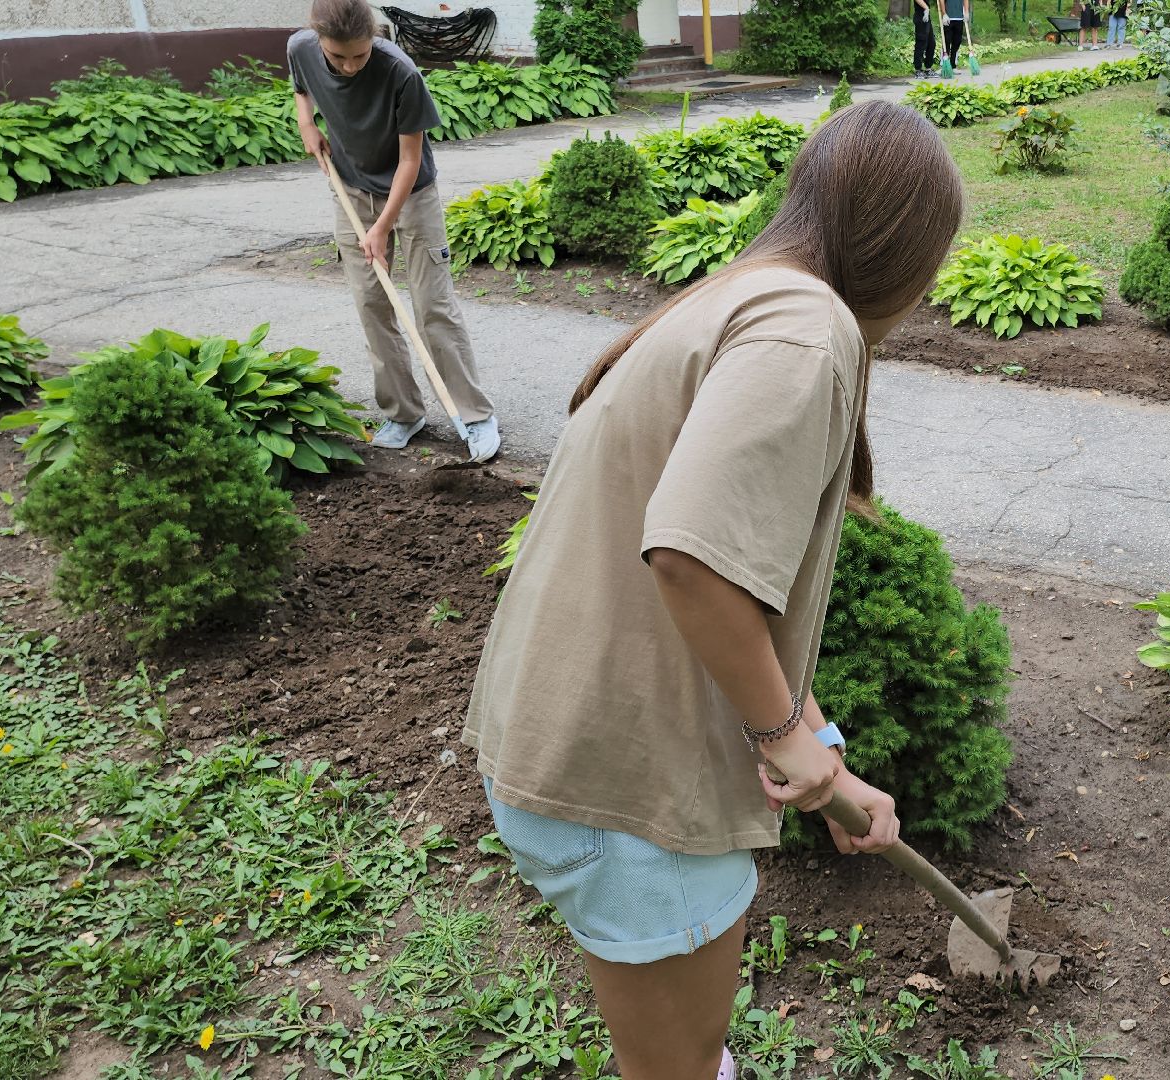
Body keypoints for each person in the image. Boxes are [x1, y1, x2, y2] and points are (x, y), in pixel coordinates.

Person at [461, 101, 964, 1080]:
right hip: (629, 797)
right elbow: (692, 556)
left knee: (680, 1055)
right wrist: (781, 740)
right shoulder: (806, 332)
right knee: (676, 1070)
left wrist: (821, 754)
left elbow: (741, 596)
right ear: (906, 253)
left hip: (570, 753)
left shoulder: (745, 294)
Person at [289, 0, 502, 462]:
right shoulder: (302, 48)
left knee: (432, 306)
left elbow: (410, 161)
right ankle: (404, 413)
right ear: (319, 42)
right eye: (337, 57)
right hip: (349, 188)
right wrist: (307, 122)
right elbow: (301, 86)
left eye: (359, 56)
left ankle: (473, 413)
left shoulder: (400, 72)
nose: (348, 66)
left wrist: (382, 227)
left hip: (412, 195)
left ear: (374, 39)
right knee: (371, 303)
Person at [940, 0, 968, 73]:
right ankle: (943, 64)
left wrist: (966, 11)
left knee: (957, 42)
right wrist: (944, 14)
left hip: (959, 18)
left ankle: (953, 65)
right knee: (946, 41)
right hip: (948, 18)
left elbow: (965, 0)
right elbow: (941, 1)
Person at [913, 0, 939, 77]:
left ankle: (928, 68)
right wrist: (926, 8)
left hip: (926, 16)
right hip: (920, 16)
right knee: (921, 43)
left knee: (931, 43)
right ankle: (918, 69)